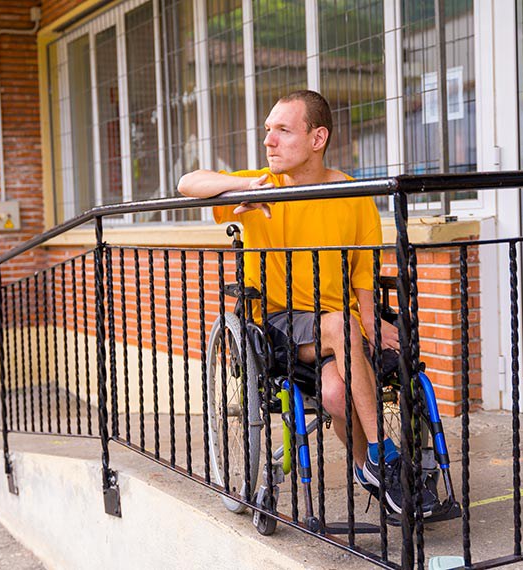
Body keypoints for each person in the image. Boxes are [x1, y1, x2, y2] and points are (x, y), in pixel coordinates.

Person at [178, 90, 436, 515]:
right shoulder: (263, 186)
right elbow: (187, 183)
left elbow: (363, 273)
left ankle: (367, 467)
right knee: (340, 325)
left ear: (317, 138)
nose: (269, 141)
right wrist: (243, 187)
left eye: (282, 130)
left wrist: (373, 322)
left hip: (340, 328)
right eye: (267, 131)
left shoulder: (353, 193)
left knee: (336, 393)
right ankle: (386, 459)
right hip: (279, 325)